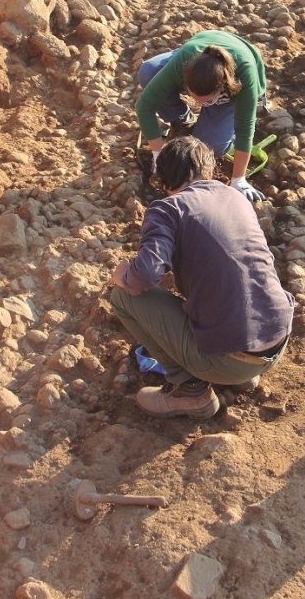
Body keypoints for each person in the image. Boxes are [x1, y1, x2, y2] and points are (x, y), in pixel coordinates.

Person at [109, 136, 294, 420]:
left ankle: (190, 391)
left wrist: (123, 273)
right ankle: (240, 373)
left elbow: (144, 275)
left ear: (165, 180)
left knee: (122, 296)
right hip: (277, 339)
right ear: (208, 172)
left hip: (232, 359)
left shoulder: (167, 209)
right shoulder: (234, 196)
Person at [136, 29, 267, 204]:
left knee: (211, 146)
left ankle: (217, 122)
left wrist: (238, 179)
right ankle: (182, 120)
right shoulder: (185, 61)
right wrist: (158, 155)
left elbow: (245, 129)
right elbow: (144, 105)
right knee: (148, 72)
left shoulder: (244, 76)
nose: (197, 103)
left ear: (221, 88)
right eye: (193, 96)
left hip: (239, 72)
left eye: (205, 101)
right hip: (201, 52)